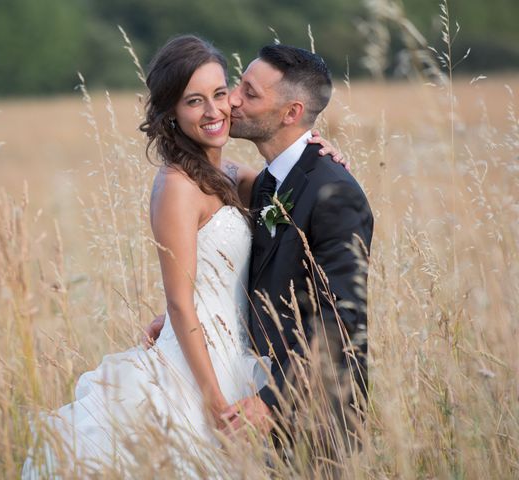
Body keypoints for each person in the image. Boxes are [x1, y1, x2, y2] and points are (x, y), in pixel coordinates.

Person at [22, 36, 344, 478]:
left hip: (239, 354)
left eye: (219, 93)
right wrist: (213, 400)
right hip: (197, 370)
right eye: (194, 101)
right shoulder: (176, 185)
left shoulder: (230, 174)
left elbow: (289, 185)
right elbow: (180, 301)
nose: (214, 111)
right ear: (172, 112)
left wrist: (316, 150)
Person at [147, 44, 373, 458]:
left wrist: (273, 401)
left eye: (246, 93)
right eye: (198, 99)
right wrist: (189, 309)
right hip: (243, 381)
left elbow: (340, 322)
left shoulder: (329, 189)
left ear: (291, 113)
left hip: (312, 408)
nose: (230, 102)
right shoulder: (264, 182)